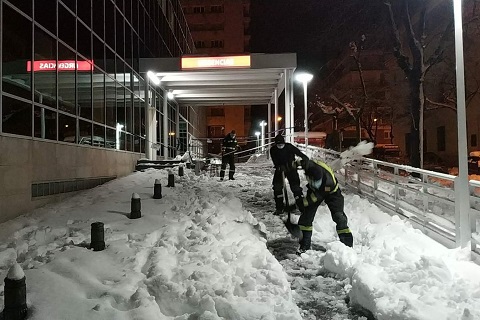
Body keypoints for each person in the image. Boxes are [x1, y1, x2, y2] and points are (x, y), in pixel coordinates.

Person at [295, 158, 354, 254]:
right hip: (314, 191)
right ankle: (304, 245)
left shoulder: (328, 182)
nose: (316, 182)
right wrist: (290, 165)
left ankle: (347, 247)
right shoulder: (309, 165)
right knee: (306, 217)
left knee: (339, 217)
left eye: (317, 181)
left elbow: (315, 198)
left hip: (332, 193)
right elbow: (300, 161)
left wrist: (303, 203)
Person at [270, 134, 309, 215]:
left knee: (296, 188)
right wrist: (279, 167)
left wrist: (304, 157)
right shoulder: (273, 150)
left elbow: (298, 152)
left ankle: (301, 207)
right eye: (278, 145)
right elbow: (275, 160)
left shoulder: (289, 147)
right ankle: (279, 207)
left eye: (282, 144)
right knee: (277, 187)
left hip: (291, 169)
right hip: (280, 170)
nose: (280, 146)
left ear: (284, 143)